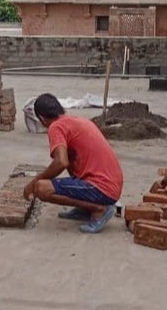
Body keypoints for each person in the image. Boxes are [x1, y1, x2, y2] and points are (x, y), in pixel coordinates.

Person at [23, 93, 123, 234]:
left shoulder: (56, 127)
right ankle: (85, 208)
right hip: (112, 185)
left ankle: (99, 208)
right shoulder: (77, 120)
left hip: (103, 189)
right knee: (71, 157)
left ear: (41, 119)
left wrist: (34, 182)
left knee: (41, 188)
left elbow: (61, 162)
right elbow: (69, 160)